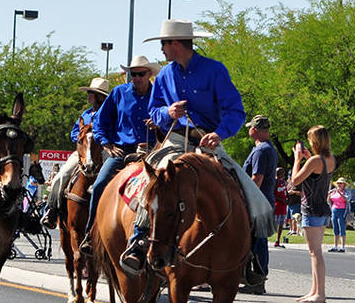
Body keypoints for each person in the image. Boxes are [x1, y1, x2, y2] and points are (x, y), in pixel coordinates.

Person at [119, 19, 276, 276]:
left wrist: (219, 133)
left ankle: (250, 258)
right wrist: (167, 112)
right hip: (175, 140)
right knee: (153, 179)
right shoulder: (165, 75)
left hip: (207, 141)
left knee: (247, 191)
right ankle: (138, 241)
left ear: (177, 44)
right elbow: (154, 111)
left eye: (164, 44)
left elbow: (235, 110)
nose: (162, 50)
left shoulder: (215, 71)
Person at [78, 55, 162, 258]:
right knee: (99, 185)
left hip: (152, 151)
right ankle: (90, 234)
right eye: (133, 74)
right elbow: (100, 123)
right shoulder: (118, 93)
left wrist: (159, 124)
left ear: (149, 74)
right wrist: (106, 143)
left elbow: (169, 121)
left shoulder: (159, 96)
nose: (137, 77)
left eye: (141, 73)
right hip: (122, 151)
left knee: (168, 187)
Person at [40, 77, 110, 228]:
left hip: (104, 149)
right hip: (84, 150)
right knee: (62, 175)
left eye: (91, 92)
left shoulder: (110, 113)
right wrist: (80, 137)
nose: (88, 95)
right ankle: (51, 210)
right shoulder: (84, 114)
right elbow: (74, 133)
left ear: (99, 96)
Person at [289, 125, 335, 303]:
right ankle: (314, 290)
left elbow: (295, 180)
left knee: (315, 252)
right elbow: (318, 173)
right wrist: (308, 158)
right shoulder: (330, 159)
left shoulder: (315, 161)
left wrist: (297, 159)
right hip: (322, 208)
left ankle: (320, 294)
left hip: (311, 209)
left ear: (314, 141)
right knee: (315, 251)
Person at [241, 115, 278, 292]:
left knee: (257, 243)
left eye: (250, 127)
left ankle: (257, 281)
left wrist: (242, 197)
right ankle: (255, 280)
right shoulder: (268, 148)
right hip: (264, 202)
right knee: (257, 241)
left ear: (254, 130)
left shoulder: (261, 150)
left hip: (257, 203)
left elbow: (257, 179)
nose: (248, 130)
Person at [327, 177, 349, 253]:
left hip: (342, 211)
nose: (339, 185)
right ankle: (335, 246)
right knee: (335, 229)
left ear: (344, 185)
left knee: (342, 228)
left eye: (341, 183)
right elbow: (329, 201)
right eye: (338, 183)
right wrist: (329, 195)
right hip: (334, 210)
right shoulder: (334, 192)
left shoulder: (346, 192)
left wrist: (340, 193)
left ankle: (343, 247)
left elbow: (346, 199)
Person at [272, 168, 288, 248]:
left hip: (283, 206)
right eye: (281, 172)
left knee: (281, 224)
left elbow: (285, 192)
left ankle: (277, 240)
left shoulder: (283, 182)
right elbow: (272, 194)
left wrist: (287, 198)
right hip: (276, 205)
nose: (283, 174)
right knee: (273, 223)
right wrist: (281, 199)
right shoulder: (274, 182)